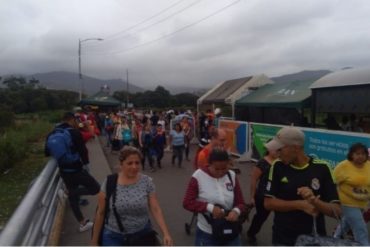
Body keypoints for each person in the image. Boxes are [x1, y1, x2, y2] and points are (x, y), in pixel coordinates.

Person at [264, 126, 341, 246]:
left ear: (295, 148)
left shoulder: (322, 168)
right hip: (282, 238)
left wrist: (314, 201)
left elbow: (336, 211)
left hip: (314, 240)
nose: (276, 154)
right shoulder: (277, 166)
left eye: (280, 149)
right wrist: (300, 205)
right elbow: (268, 203)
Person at [91, 146, 173, 246]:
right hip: (114, 236)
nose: (134, 167)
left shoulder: (147, 182)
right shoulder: (109, 182)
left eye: (137, 163)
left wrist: (166, 233)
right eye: (129, 163)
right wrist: (94, 242)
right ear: (121, 164)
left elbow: (155, 208)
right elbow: (100, 213)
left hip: (142, 234)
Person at [45, 112, 100, 232]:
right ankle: (69, 193)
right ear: (72, 120)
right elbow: (83, 151)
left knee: (74, 198)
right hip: (76, 169)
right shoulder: (74, 132)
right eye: (76, 120)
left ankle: (82, 223)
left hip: (64, 171)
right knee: (95, 188)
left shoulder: (53, 132)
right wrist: (86, 164)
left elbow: (47, 152)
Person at [183, 148, 246, 246]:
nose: (220, 172)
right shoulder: (198, 176)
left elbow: (241, 202)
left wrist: (236, 211)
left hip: (231, 231)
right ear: (209, 164)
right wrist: (210, 208)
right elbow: (187, 202)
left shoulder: (231, 175)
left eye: (224, 168)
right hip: (207, 234)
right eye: (216, 169)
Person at [333, 143, 370, 245]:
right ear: (351, 154)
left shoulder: (368, 165)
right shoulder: (343, 166)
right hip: (348, 202)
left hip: (362, 202)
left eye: (363, 154)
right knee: (360, 227)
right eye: (357, 154)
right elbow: (334, 182)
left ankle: (336, 237)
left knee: (347, 222)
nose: (360, 156)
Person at [246, 141, 279, 244]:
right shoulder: (262, 163)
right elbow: (254, 180)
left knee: (280, 219)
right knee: (260, 217)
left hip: (278, 196)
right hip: (262, 196)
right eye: (275, 149)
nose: (277, 151)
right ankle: (251, 233)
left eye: (278, 149)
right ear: (268, 149)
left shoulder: (281, 163)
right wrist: (252, 196)